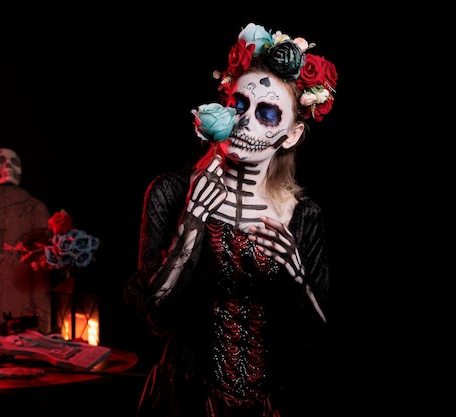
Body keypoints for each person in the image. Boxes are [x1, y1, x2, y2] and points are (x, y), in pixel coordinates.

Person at [124, 22, 337, 417]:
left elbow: (322, 338)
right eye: (239, 105)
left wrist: (296, 276)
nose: (246, 122)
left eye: (268, 112)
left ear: (290, 134)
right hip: (183, 398)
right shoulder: (172, 192)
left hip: (271, 404)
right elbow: (154, 316)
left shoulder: (303, 216)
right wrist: (191, 223)